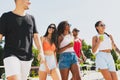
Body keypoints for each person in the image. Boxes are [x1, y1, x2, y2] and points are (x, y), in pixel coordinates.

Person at [0, 0, 45, 80]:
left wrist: (41, 52)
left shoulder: (31, 18)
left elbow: (36, 36)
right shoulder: (6, 17)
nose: (30, 2)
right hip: (11, 55)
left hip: (27, 58)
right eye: (28, 0)